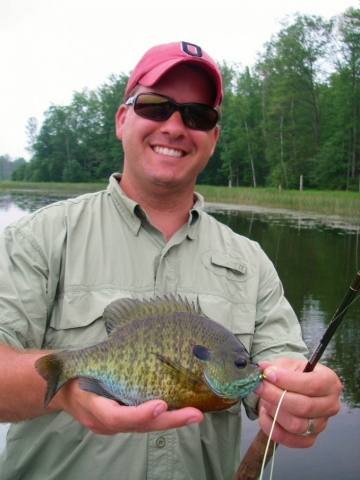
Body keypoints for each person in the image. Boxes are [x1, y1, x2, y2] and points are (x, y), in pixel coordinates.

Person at [0, 41, 341, 480]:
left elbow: (283, 376)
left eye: (198, 115)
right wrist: (65, 390)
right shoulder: (39, 238)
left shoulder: (251, 263)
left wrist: (305, 401)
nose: (176, 126)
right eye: (156, 106)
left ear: (213, 138)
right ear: (123, 119)